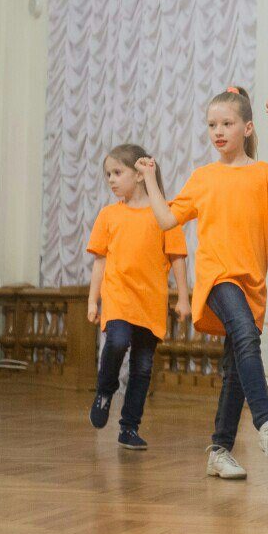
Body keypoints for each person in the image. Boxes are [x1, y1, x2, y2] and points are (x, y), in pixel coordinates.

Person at [145, 86, 268, 480]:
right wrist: (149, 181)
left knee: (235, 366)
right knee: (245, 336)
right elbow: (167, 219)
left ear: (247, 128)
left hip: (252, 284)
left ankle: (220, 449)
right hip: (217, 278)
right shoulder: (203, 177)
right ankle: (267, 423)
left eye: (227, 123)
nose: (218, 131)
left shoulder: (266, 175)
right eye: (212, 125)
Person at [86, 144, 189, 451]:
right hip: (118, 295)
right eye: (108, 174)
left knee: (143, 367)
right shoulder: (108, 215)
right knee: (117, 342)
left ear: (140, 175)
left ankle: (129, 427)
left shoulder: (164, 214)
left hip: (151, 302)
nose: (111, 180)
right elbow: (100, 261)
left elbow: (178, 257)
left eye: (117, 172)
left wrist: (183, 298)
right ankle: (105, 390)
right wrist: (93, 300)